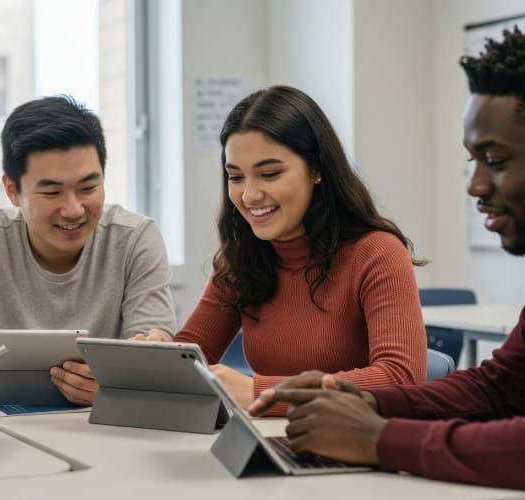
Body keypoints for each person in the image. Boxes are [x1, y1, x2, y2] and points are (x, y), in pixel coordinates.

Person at [249, 23, 525, 491]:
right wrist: (365, 402)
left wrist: (380, 437)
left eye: (497, 161)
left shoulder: (374, 249)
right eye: (473, 161)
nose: (475, 186)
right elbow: (502, 387)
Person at [141, 85, 426, 413]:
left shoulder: (376, 253)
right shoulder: (240, 259)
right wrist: (158, 357)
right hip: (273, 441)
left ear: (317, 169)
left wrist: (265, 393)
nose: (249, 195)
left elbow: (401, 378)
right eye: (235, 177)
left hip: (353, 446)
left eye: (270, 174)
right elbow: (193, 353)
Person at [0, 95, 176, 405]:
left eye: (88, 188)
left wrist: (120, 384)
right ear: (12, 191)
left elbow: (154, 350)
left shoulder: (135, 238)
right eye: (51, 192)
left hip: (105, 421)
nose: (73, 209)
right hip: (3, 422)